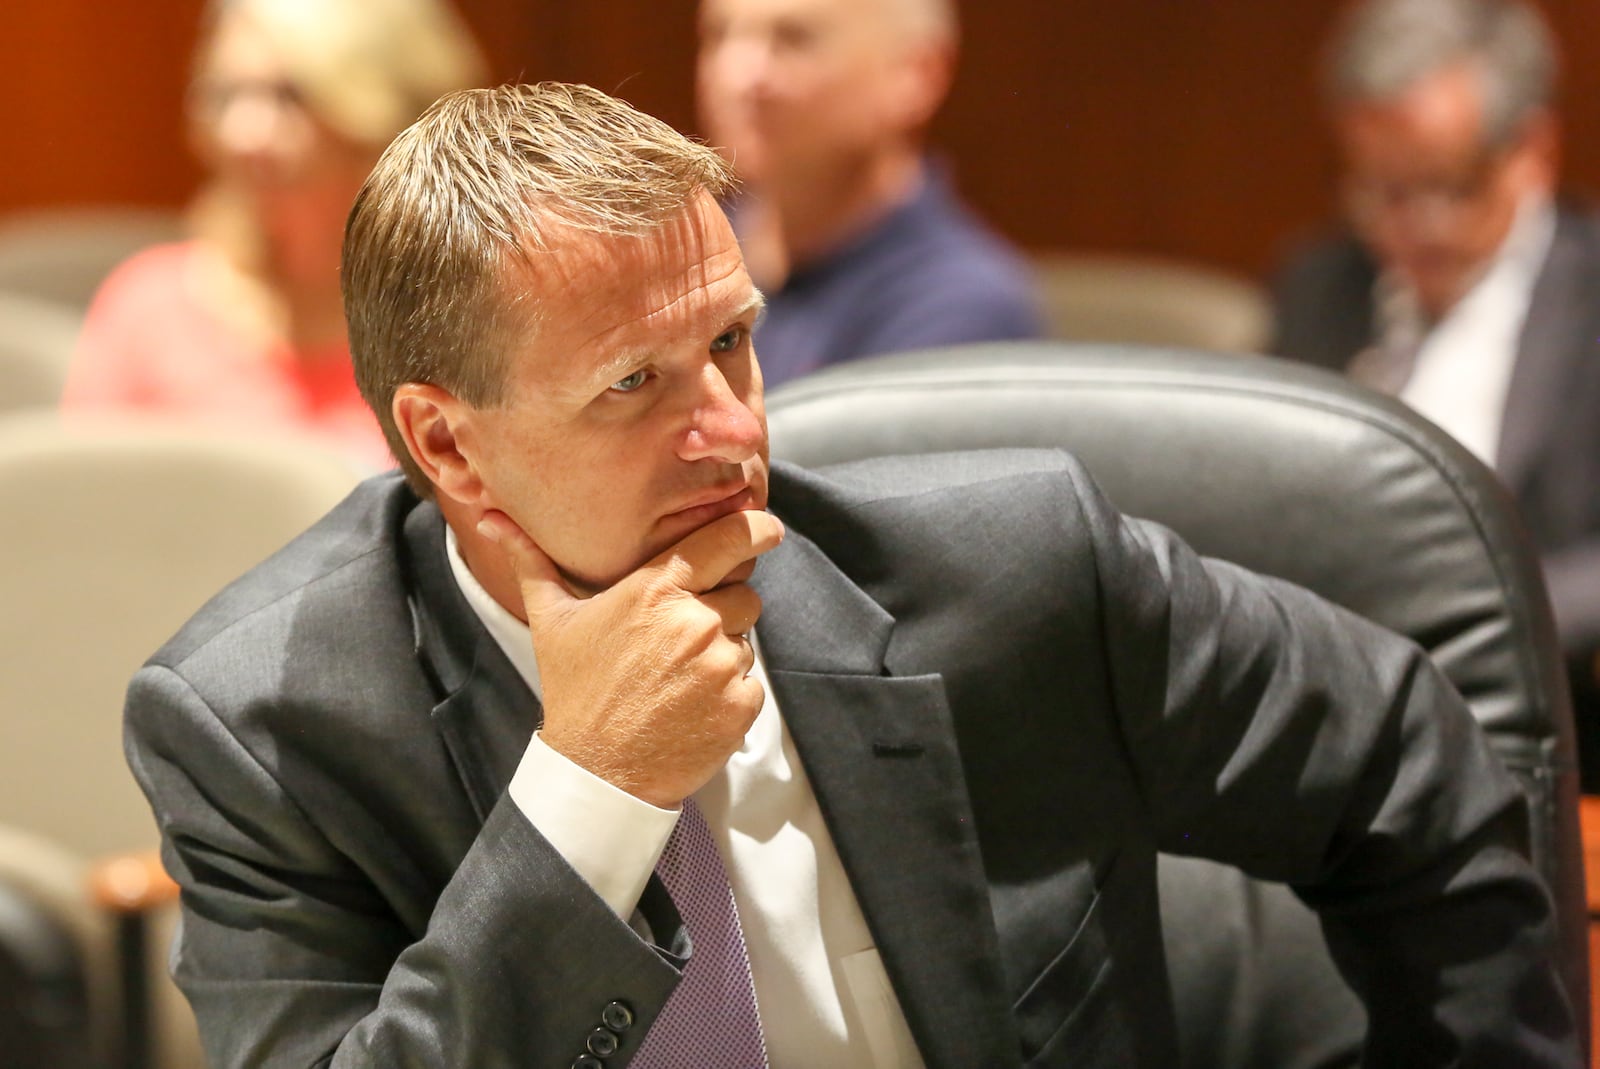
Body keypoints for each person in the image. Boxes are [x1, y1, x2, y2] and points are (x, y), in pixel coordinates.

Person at [124, 82, 1577, 1068]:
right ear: (449, 444)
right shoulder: (268, 725)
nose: (736, 430)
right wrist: (590, 796)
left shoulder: (1011, 578)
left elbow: (1416, 762)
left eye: (733, 344)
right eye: (635, 382)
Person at [1270, 0, 1600, 783]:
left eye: (1441, 187)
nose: (1403, 228)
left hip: (1540, 742)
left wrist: (1479, 623)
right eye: (1376, 189)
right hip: (1330, 736)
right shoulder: (1319, 285)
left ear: (1531, 150)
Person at [61, 0, 486, 469]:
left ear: (385, 120)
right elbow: (77, 514)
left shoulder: (463, 321)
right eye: (225, 96)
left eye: (291, 97)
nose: (242, 134)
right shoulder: (148, 305)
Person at [694, 0, 1043, 389]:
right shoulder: (681, 257)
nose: (739, 76)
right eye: (720, 35)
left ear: (916, 74)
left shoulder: (965, 309)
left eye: (794, 39)